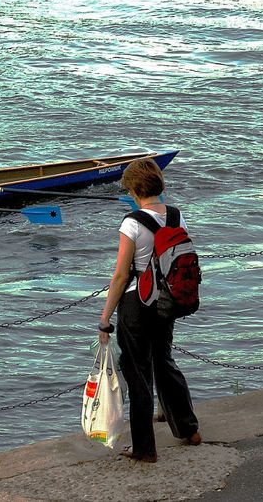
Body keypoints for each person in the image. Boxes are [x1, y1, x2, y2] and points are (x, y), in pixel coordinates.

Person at [97, 158, 201, 463]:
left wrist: (105, 318)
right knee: (164, 362)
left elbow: (120, 275)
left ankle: (144, 448)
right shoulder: (176, 217)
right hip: (167, 302)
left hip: (136, 305)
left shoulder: (131, 222)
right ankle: (188, 429)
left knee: (138, 373)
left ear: (133, 189)